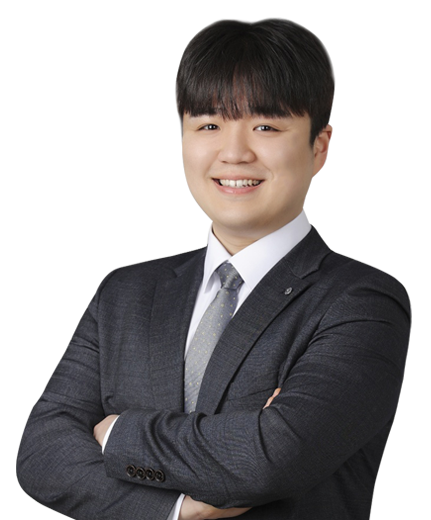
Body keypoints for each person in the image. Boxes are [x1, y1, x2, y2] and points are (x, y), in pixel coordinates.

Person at [17, 18, 411, 520]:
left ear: (319, 148)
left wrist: (116, 431)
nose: (234, 153)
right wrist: (177, 508)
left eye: (266, 126)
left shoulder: (361, 304)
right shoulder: (126, 295)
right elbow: (41, 452)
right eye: (209, 125)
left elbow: (271, 457)